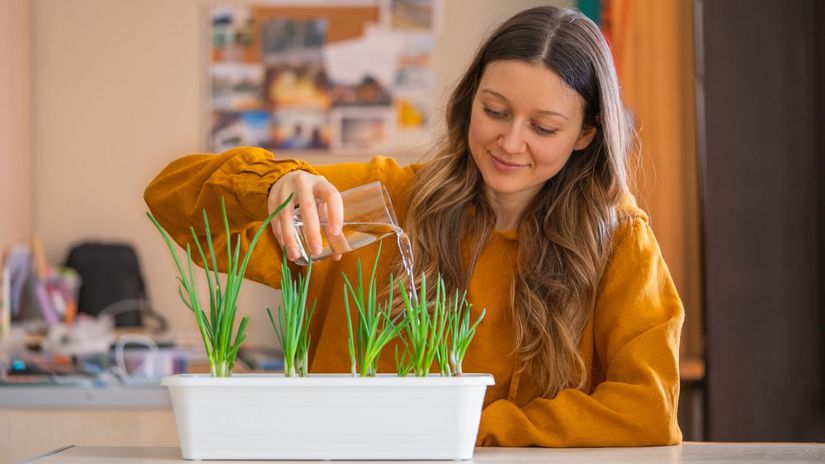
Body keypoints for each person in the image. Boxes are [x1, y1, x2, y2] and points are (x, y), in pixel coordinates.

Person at [145, 6, 683, 447]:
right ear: (470, 98)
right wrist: (271, 186)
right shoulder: (382, 203)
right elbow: (171, 198)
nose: (510, 143)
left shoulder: (616, 240)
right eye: (494, 111)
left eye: (543, 127)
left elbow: (648, 410)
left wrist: (459, 431)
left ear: (586, 134)